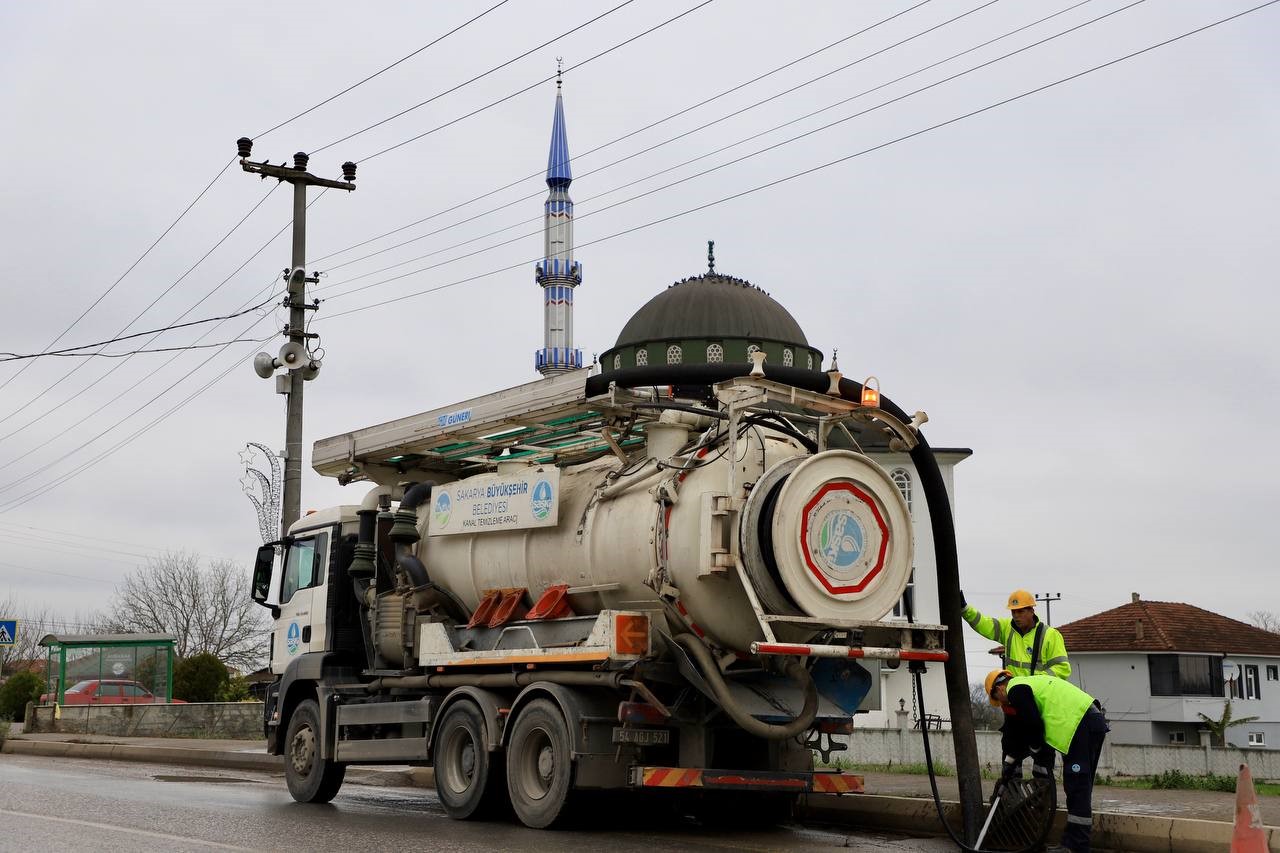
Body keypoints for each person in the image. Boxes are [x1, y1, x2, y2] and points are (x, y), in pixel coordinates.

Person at [987, 669, 1110, 853]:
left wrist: (1036, 748)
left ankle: (1076, 847)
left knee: (1077, 787)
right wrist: (1009, 766)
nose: (1001, 704)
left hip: (1081, 724)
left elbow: (1033, 725)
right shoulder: (1029, 687)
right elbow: (1017, 736)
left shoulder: (1016, 689)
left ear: (999, 688)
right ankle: (1075, 843)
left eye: (997, 699)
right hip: (1088, 722)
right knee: (1079, 788)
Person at [961, 589, 1070, 679]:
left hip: (1041, 695)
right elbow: (984, 623)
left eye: (1020, 611)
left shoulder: (1050, 635)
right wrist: (965, 609)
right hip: (1015, 695)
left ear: (1032, 611)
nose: (1016, 616)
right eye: (1013, 612)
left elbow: (1062, 668)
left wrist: (1037, 681)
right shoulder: (1007, 628)